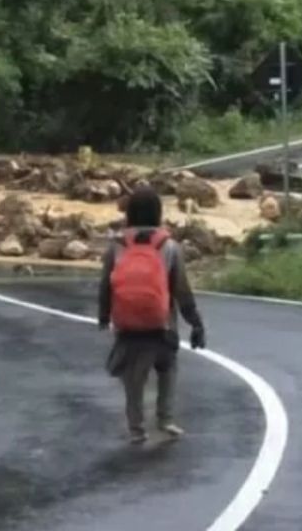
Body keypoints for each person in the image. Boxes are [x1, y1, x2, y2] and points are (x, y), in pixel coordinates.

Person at [99, 187, 206, 443]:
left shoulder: (117, 246)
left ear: (130, 213)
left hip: (127, 326)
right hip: (162, 325)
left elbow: (106, 284)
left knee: (133, 380)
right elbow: (181, 289)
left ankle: (137, 428)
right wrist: (196, 323)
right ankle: (165, 418)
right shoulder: (168, 246)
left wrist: (104, 316)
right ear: (158, 212)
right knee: (167, 369)